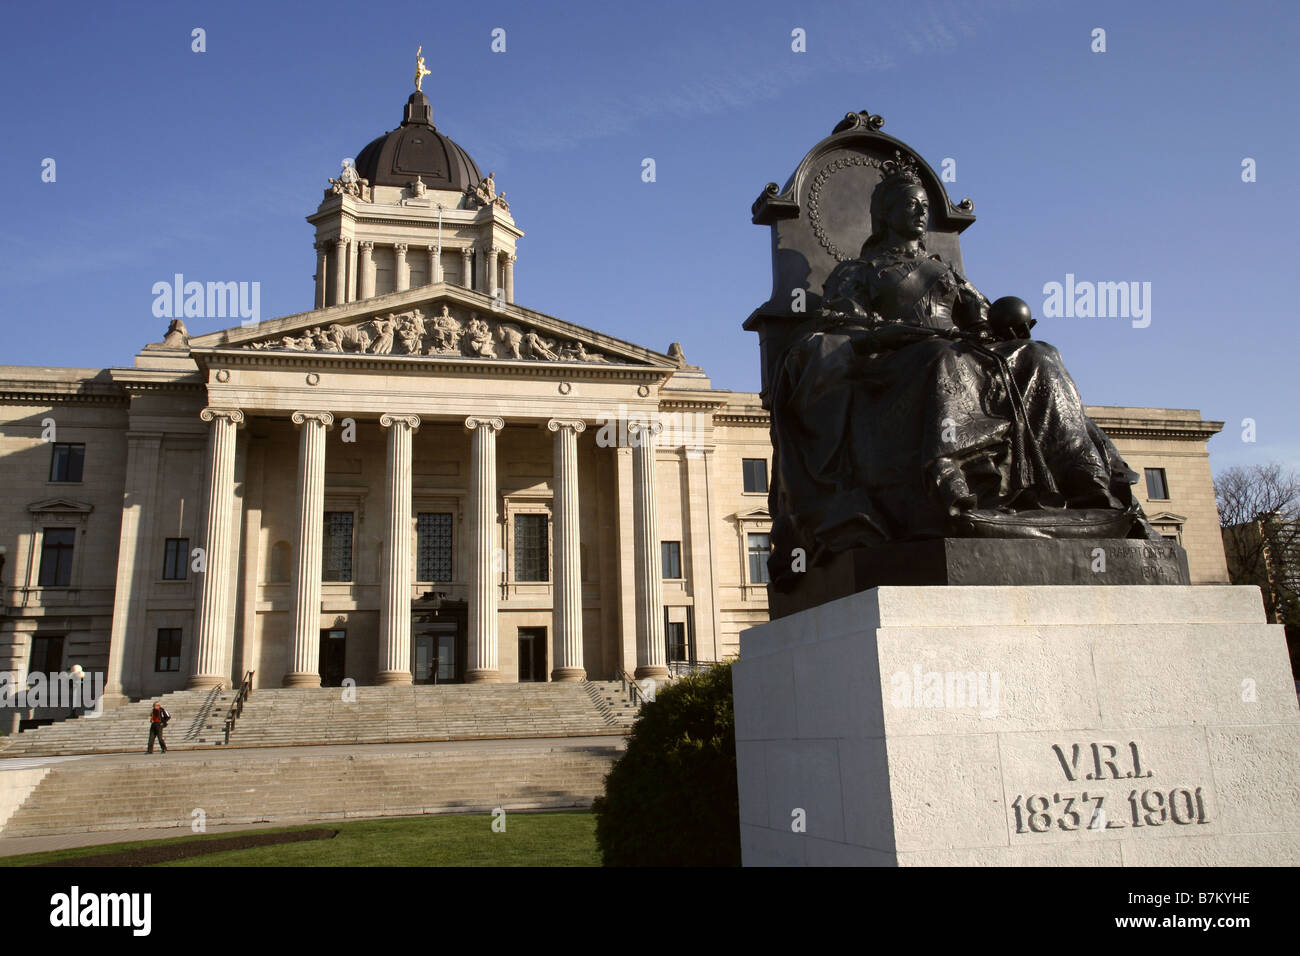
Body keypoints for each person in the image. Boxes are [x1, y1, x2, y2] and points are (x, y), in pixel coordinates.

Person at [767, 160, 1157, 586]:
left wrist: (1006, 328)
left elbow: (984, 320)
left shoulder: (945, 272)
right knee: (941, 356)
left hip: (964, 352)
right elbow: (843, 327)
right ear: (886, 214)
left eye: (923, 206)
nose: (920, 213)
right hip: (897, 362)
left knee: (1041, 355)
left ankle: (1083, 477)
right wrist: (889, 333)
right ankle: (947, 475)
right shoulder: (858, 272)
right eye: (909, 205)